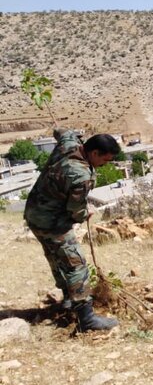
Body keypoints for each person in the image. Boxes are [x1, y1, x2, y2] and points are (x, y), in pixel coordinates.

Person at [24, 128, 121, 331]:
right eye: (105, 160)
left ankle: (69, 299)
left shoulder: (68, 143)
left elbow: (62, 132)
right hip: (53, 223)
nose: (105, 165)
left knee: (55, 258)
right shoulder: (80, 175)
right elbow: (75, 211)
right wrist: (87, 212)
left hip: (34, 215)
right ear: (94, 153)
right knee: (76, 265)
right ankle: (87, 319)